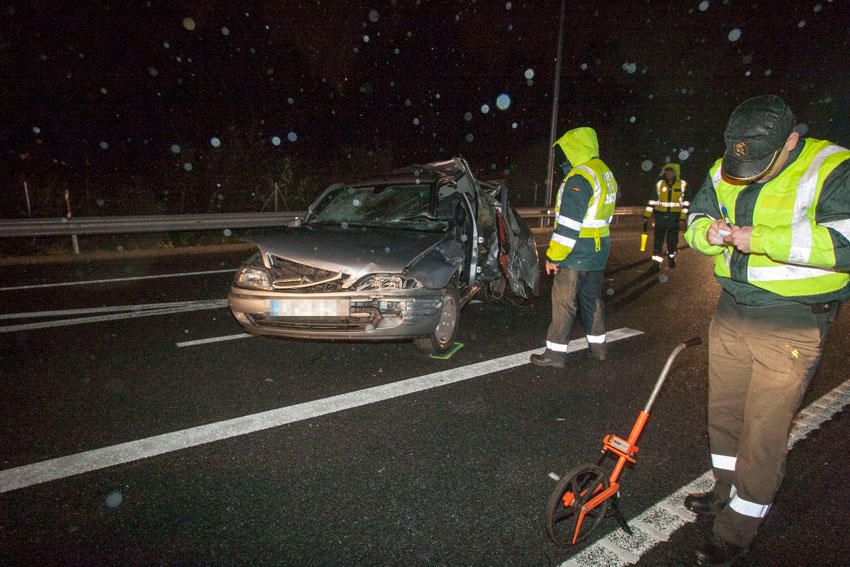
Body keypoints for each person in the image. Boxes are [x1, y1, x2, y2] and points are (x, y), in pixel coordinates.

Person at [684, 95, 850, 565]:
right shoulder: (727, 165)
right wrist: (708, 233)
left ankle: (737, 530)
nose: (747, 171)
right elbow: (695, 218)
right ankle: (724, 491)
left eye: (760, 162)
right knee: (725, 413)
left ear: (791, 141)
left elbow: (845, 242)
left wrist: (763, 241)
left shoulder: (833, 166)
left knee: (763, 429)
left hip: (793, 318)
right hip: (732, 308)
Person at [531, 126, 618, 367]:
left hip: (577, 251)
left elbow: (569, 225)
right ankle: (599, 348)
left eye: (567, 151)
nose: (565, 157)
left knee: (564, 302)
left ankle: (555, 355)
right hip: (598, 251)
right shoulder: (603, 172)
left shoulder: (580, 177)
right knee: (592, 300)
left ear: (576, 148)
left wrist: (553, 257)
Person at [644, 163, 688, 272]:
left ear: (676, 173)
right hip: (660, 217)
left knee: (672, 241)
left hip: (675, 218)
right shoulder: (659, 184)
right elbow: (652, 201)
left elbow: (686, 204)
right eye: (667, 171)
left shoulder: (683, 185)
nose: (668, 173)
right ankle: (656, 264)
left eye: (671, 171)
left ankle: (671, 257)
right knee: (658, 242)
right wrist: (646, 216)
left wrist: (682, 218)